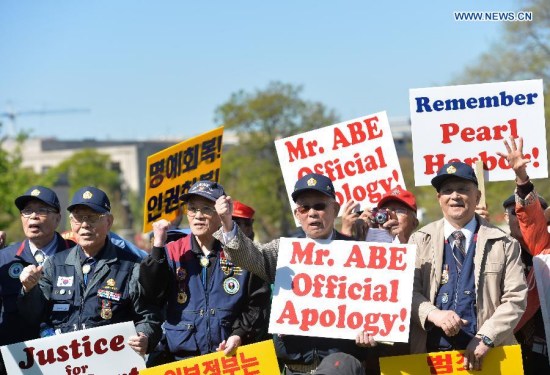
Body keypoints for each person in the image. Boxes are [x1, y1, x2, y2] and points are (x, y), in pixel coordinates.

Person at [213, 173, 368, 374]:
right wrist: (227, 223)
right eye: (304, 207)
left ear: (335, 209)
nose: (312, 213)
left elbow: (377, 313)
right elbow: (247, 256)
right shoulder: (283, 251)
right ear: (297, 214)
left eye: (319, 206)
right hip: (295, 367)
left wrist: (370, 333)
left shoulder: (361, 254)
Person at [409, 161, 527, 371]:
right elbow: (408, 292)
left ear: (477, 196)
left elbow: (516, 298)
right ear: (439, 199)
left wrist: (486, 337)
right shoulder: (419, 240)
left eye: (463, 189)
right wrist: (434, 314)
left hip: (489, 356)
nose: (455, 196)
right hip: (430, 358)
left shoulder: (504, 243)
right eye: (447, 190)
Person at [18, 186, 161, 356]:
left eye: (92, 218)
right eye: (78, 218)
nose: (85, 225)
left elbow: (148, 315)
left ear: (108, 222)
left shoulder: (131, 265)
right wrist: (29, 290)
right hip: (65, 363)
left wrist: (144, 336)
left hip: (112, 362)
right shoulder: (55, 264)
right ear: (71, 222)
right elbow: (33, 317)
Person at [139, 180, 270, 364]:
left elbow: (258, 302)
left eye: (206, 209)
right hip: (182, 361)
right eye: (192, 209)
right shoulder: (171, 251)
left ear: (221, 212)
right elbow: (149, 294)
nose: (198, 216)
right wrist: (157, 247)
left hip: (229, 360)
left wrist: (240, 334)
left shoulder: (240, 251)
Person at [0, 186, 75, 374]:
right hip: (17, 363)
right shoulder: (5, 259)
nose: (33, 216)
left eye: (42, 210)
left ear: (58, 218)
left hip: (66, 360)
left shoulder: (77, 254)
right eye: (27, 211)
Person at [498, 136, 550, 374]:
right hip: (509, 353)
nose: (518, 215)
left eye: (523, 209)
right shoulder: (500, 251)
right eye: (513, 212)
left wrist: (521, 176)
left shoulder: (544, 248)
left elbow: (532, 218)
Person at [341, 185, 419, 244]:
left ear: (414, 223)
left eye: (400, 211)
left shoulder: (422, 251)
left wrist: (402, 244)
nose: (390, 215)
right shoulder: (365, 241)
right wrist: (349, 233)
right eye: (384, 211)